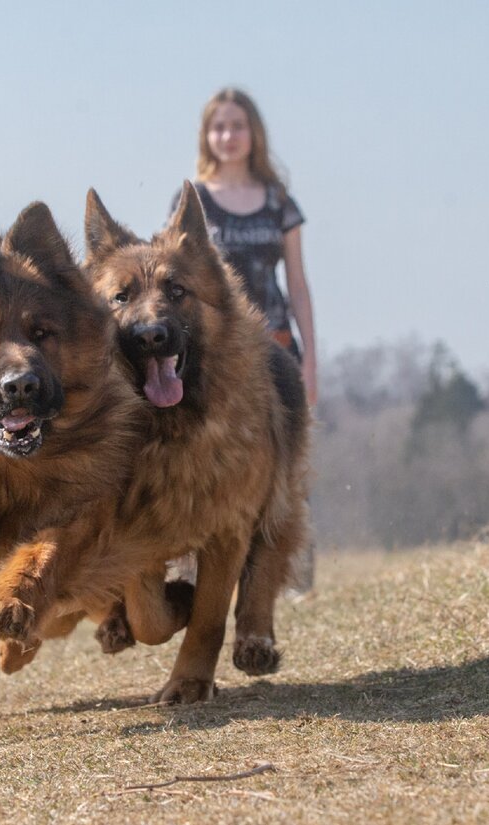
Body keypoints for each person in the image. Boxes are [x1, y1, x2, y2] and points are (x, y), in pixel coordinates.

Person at [177, 87, 317, 589]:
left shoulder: (279, 202)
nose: (228, 136)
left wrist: (311, 361)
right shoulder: (191, 199)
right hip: (213, 351)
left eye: (237, 126)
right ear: (206, 136)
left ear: (253, 133)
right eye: (218, 127)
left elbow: (298, 284)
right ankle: (200, 563)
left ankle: (287, 565)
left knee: (284, 454)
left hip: (277, 343)